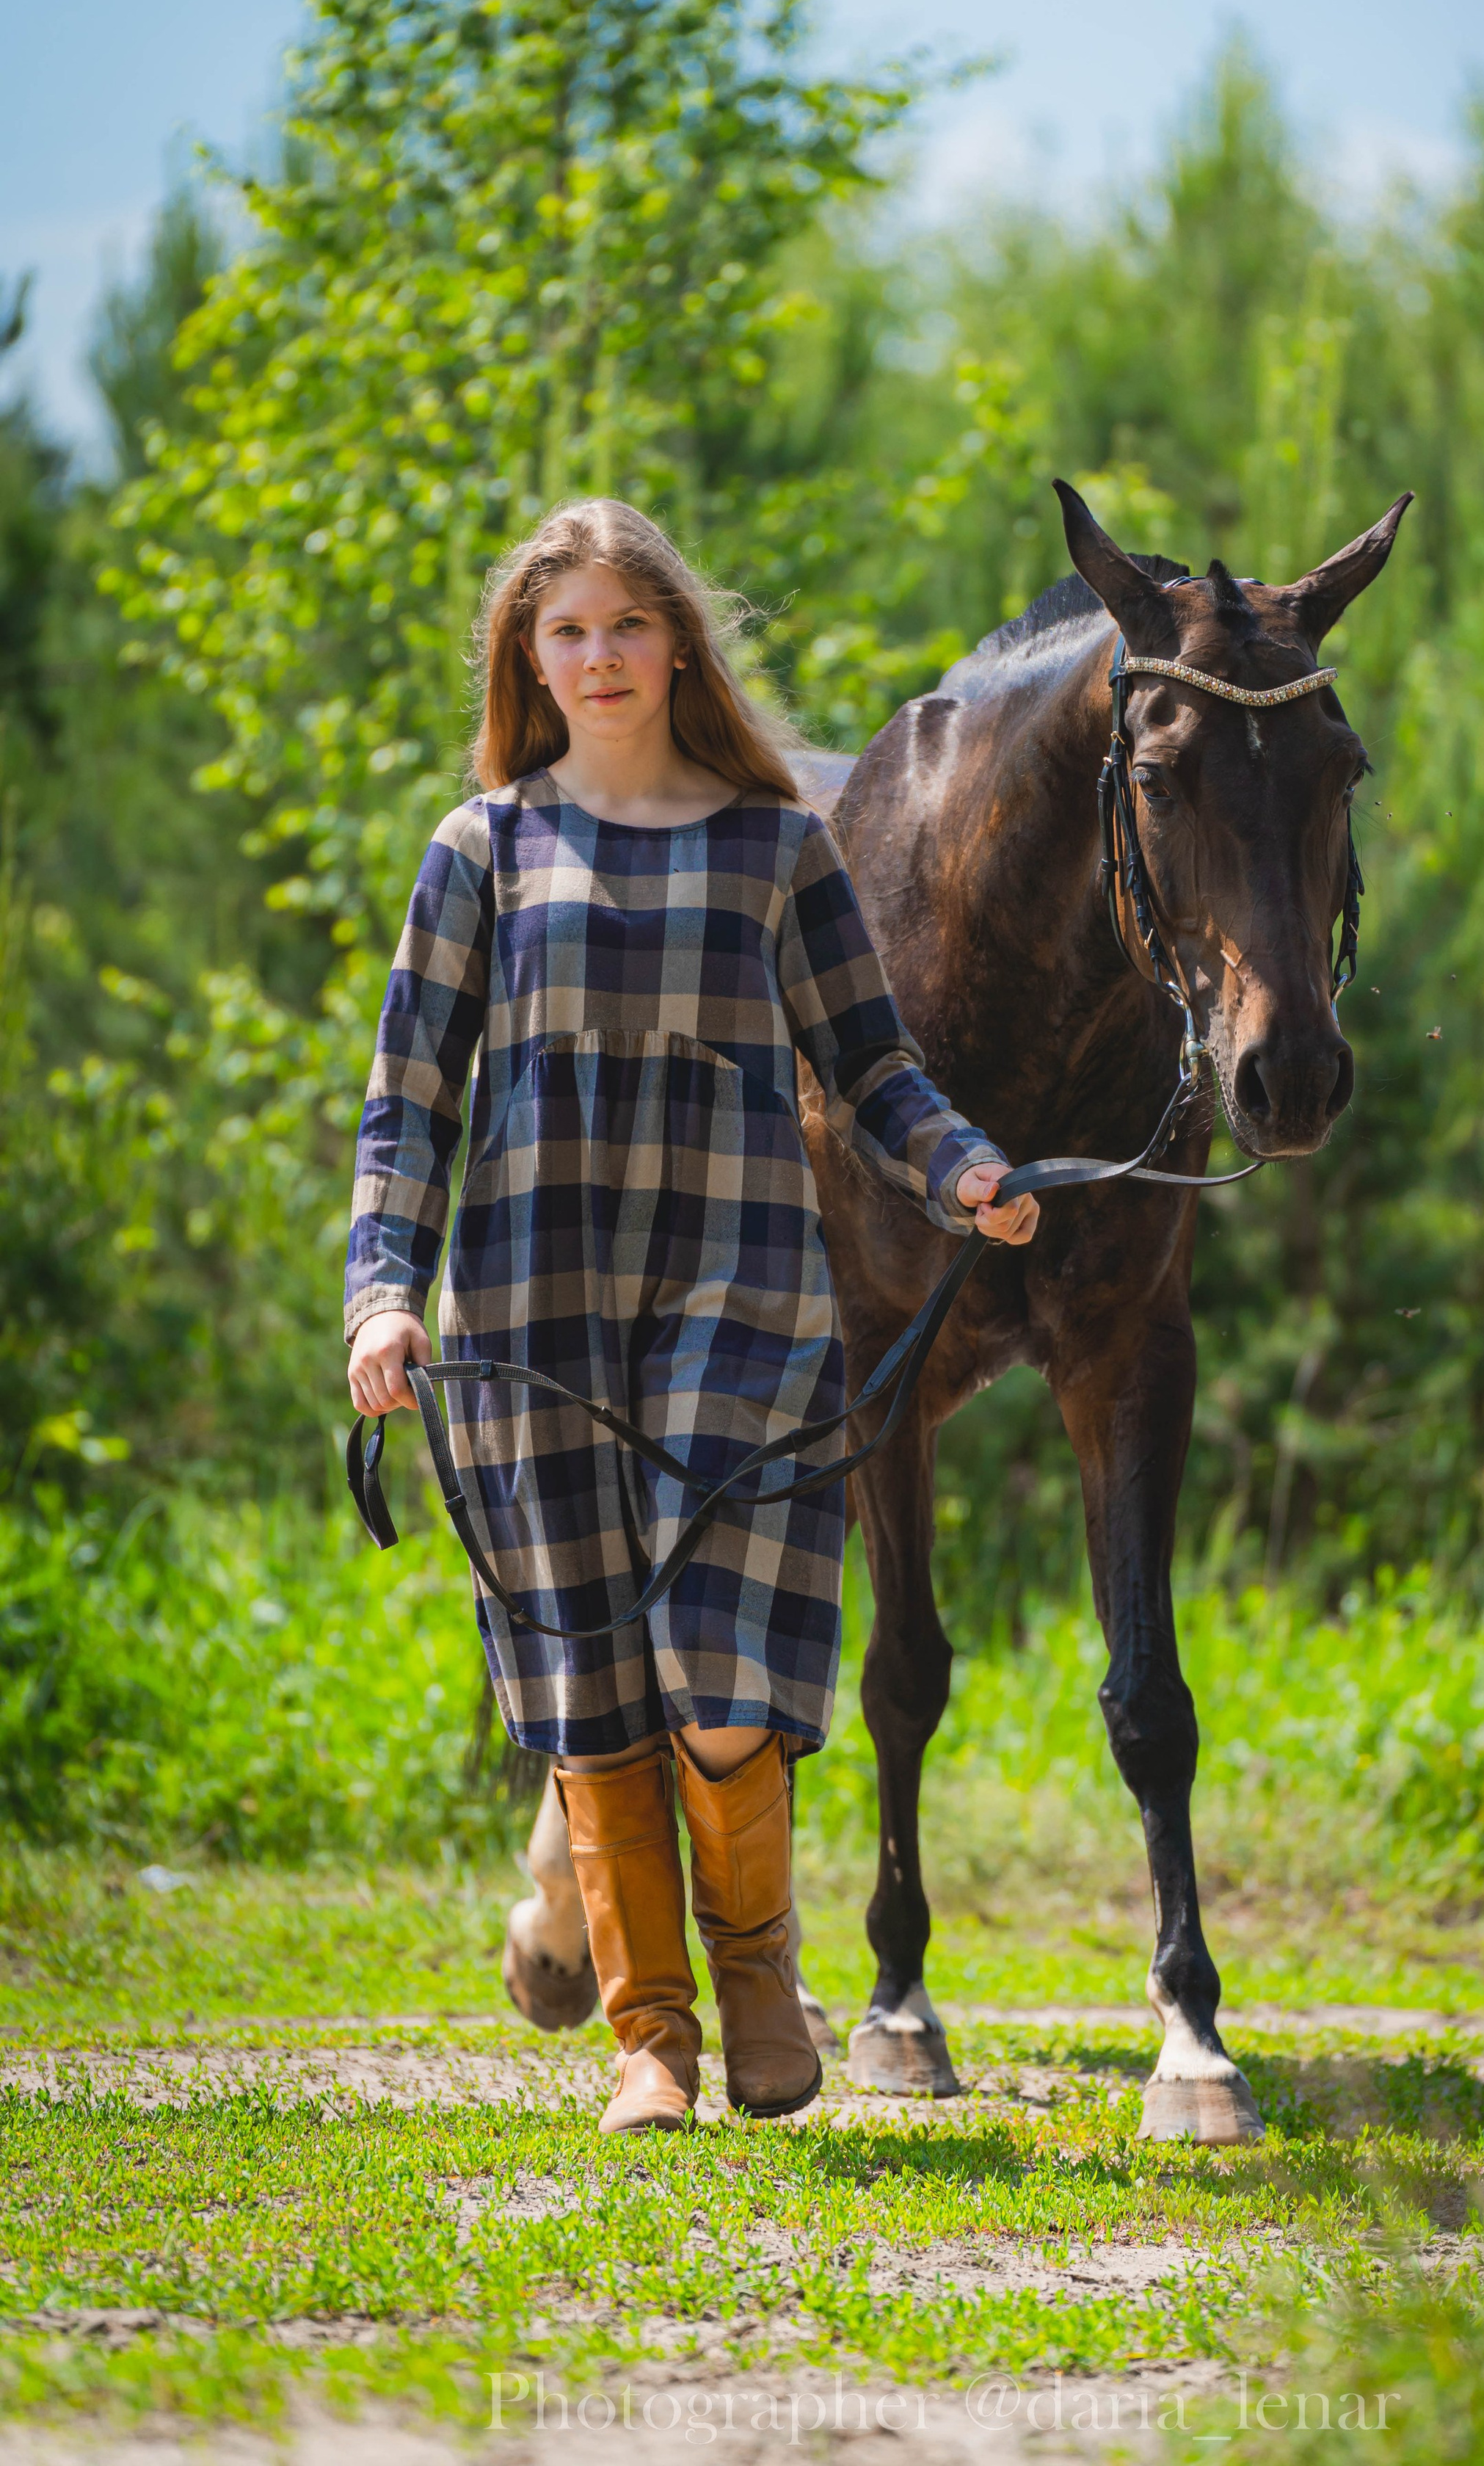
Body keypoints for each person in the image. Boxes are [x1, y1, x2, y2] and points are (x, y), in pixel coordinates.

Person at [344, 499, 1038, 2136]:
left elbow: (874, 1069)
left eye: (624, 627)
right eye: (564, 630)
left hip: (740, 1296)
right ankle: (650, 2037)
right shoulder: (482, 849)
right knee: (594, 1688)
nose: (596, 658)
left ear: (676, 647)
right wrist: (384, 1292)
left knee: (725, 1688)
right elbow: (406, 1108)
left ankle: (753, 1973)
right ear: (530, 653)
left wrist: (962, 1174)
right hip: (532, 1305)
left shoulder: (772, 846)